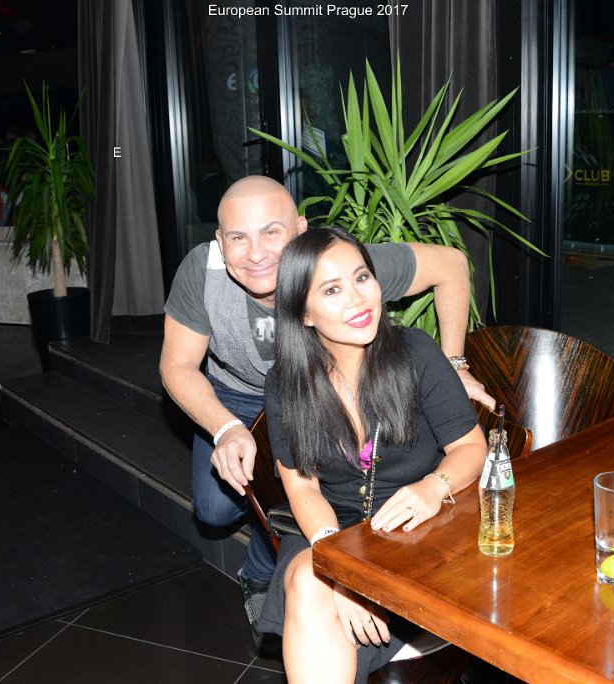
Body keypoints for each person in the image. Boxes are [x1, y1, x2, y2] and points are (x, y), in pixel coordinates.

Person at [159, 175, 492, 625]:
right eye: (238, 238)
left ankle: (266, 565)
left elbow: (451, 265)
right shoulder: (203, 273)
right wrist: (226, 428)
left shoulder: (343, 267)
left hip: (330, 389)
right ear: (220, 242)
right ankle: (281, 542)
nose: (256, 254)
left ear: (301, 228)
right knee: (218, 508)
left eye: (271, 232)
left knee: (299, 487)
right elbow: (177, 366)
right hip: (239, 394)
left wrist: (454, 363)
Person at [253, 226, 487, 682]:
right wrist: (339, 567)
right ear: (304, 313)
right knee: (312, 582)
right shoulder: (285, 384)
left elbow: (470, 447)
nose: (358, 299)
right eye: (332, 290)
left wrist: (432, 487)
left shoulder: (415, 352)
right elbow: (302, 487)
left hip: (417, 522)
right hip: (329, 524)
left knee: (315, 591)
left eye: (362, 278)